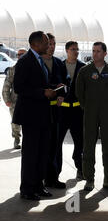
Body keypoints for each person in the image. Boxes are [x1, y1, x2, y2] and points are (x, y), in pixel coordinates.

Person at [13, 31, 57, 200]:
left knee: (42, 153)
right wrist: (42, 92)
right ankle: (27, 189)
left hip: (43, 116)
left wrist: (54, 87)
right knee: (31, 154)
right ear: (36, 44)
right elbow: (19, 87)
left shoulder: (40, 61)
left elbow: (40, 83)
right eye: (46, 43)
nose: (49, 46)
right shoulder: (25, 61)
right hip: (31, 117)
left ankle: (39, 186)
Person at [76, 42, 108, 191]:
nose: (95, 54)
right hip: (90, 113)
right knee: (88, 146)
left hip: (107, 114)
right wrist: (87, 106)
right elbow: (79, 92)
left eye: (98, 51)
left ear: (105, 54)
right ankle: (89, 179)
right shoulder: (85, 71)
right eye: (93, 51)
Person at [57, 41, 85, 181]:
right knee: (57, 142)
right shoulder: (60, 66)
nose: (76, 51)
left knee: (80, 142)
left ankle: (80, 169)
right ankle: (55, 173)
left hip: (77, 111)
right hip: (62, 112)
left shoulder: (83, 68)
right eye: (73, 49)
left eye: (77, 49)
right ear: (67, 50)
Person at [42, 33, 67, 189]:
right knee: (41, 147)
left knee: (55, 146)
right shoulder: (37, 62)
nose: (52, 46)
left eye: (54, 44)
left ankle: (53, 178)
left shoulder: (58, 63)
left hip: (56, 112)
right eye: (49, 43)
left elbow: (66, 81)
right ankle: (40, 179)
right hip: (40, 111)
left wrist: (62, 94)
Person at [2, 48, 27, 149]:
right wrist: (7, 99)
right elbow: (6, 86)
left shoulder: (32, 68)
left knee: (28, 122)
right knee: (15, 122)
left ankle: (27, 140)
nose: (20, 56)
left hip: (29, 101)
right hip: (15, 101)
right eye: (18, 54)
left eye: (22, 54)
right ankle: (17, 140)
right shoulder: (13, 69)